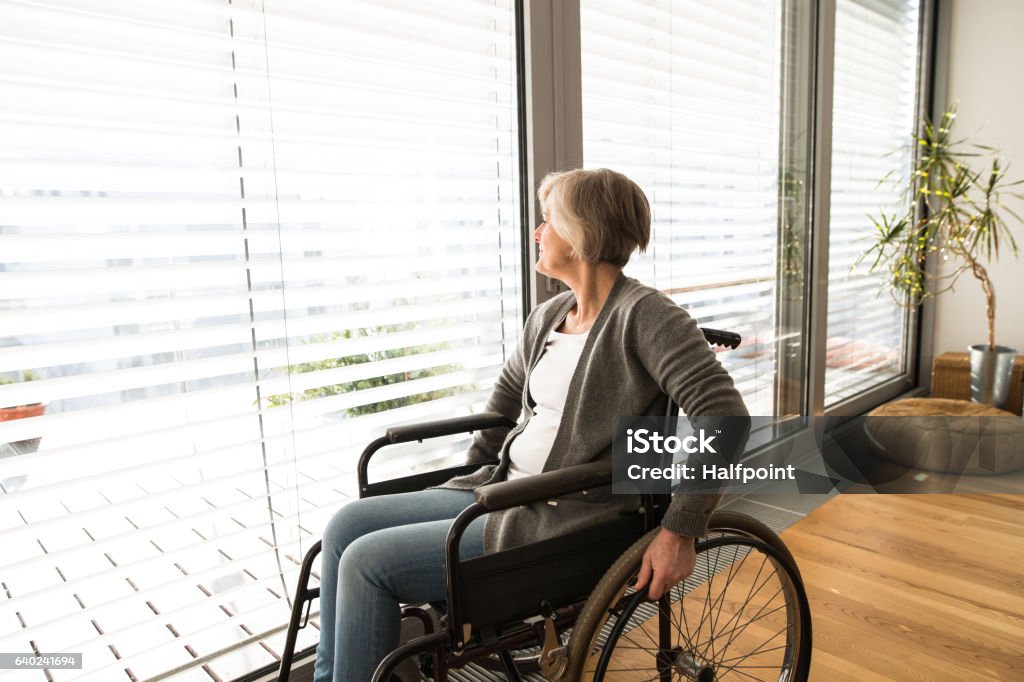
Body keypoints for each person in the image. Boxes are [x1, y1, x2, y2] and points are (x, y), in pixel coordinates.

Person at [313, 168, 749, 682]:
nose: (538, 233)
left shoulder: (647, 316)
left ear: (583, 233)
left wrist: (680, 529)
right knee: (344, 525)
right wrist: (472, 484)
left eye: (548, 221)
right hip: (502, 493)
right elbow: (501, 411)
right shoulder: (548, 316)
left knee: (367, 563)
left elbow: (725, 417)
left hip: (563, 518)